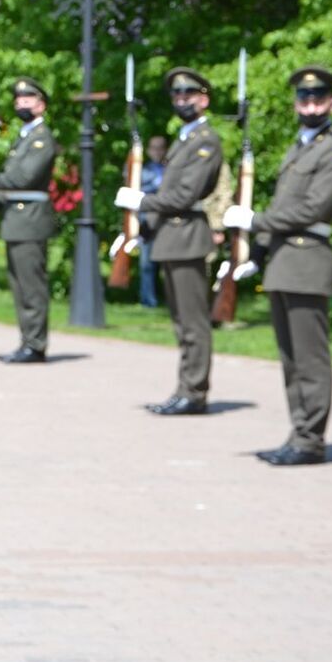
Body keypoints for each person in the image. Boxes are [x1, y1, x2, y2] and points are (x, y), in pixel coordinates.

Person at [222, 66, 332, 465]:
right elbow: (284, 205)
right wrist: (256, 253)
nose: (310, 105)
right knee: (290, 357)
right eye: (304, 99)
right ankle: (299, 431)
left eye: (318, 99)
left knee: (309, 357)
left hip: (306, 260)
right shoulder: (297, 148)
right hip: (282, 260)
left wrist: (255, 222)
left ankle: (310, 438)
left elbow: (313, 208)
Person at [117, 67, 224, 414]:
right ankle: (185, 387)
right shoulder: (184, 138)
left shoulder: (206, 140)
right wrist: (143, 226)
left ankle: (194, 392)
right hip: (171, 235)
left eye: (188, 95)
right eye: (177, 96)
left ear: (203, 99)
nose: (182, 101)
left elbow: (183, 194)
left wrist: (142, 202)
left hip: (188, 234)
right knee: (180, 321)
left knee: (193, 321)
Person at [0, 77, 58, 363]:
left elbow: (23, 179)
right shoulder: (24, 137)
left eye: (28, 98)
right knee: (19, 286)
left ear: (41, 105)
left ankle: (35, 345)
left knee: (31, 287)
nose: (21, 103)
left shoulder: (42, 138)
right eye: (18, 99)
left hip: (30, 221)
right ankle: (27, 341)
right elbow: (13, 186)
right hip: (16, 220)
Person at [138, 135, 167, 306]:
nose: (157, 151)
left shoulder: (171, 169)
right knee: (146, 264)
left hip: (167, 221)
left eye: (160, 147)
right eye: (153, 147)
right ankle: (148, 300)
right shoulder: (142, 170)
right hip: (147, 221)